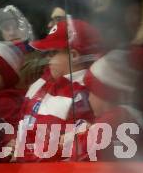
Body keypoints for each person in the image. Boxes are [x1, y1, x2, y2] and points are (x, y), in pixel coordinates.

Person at [15, 19, 102, 162]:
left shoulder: (84, 94)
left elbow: (68, 149)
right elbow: (22, 125)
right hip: (27, 171)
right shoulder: (41, 83)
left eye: (53, 53)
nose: (47, 59)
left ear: (74, 56)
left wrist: (23, 152)